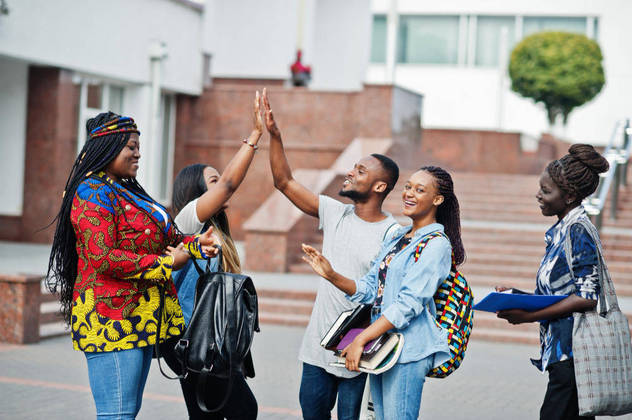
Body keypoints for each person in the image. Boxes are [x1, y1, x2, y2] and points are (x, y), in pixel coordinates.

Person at [46, 112, 218, 419]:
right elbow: (103, 257)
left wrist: (195, 245)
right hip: (109, 320)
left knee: (126, 411)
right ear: (108, 148)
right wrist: (167, 262)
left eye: (138, 145)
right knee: (117, 413)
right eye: (130, 146)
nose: (138, 152)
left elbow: (170, 235)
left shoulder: (128, 190)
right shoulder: (92, 192)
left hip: (140, 320)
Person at [262, 89, 400, 420]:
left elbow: (382, 297)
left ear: (379, 187)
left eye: (361, 172)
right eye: (353, 168)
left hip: (357, 350)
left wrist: (360, 340)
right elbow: (284, 181)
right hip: (316, 350)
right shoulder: (336, 214)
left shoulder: (392, 234)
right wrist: (275, 136)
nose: (350, 174)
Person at [302, 166, 465, 420]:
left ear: (437, 199)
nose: (409, 194)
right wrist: (331, 275)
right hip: (384, 348)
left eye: (419, 190)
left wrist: (360, 340)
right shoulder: (399, 237)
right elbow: (370, 289)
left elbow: (408, 304)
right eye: (408, 186)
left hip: (408, 351)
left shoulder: (436, 245)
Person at [163, 92, 263, 419]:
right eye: (213, 182)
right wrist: (255, 136)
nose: (221, 187)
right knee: (242, 409)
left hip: (209, 339)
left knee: (207, 413)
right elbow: (232, 184)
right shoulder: (188, 220)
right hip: (192, 339)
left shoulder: (216, 231)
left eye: (219, 180)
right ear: (195, 191)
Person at [496, 144, 610, 420]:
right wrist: (517, 295)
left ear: (569, 195)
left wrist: (528, 315)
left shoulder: (577, 231)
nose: (539, 195)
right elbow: (562, 293)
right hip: (563, 356)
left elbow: (587, 297)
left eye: (546, 191)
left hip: (574, 357)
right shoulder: (562, 231)